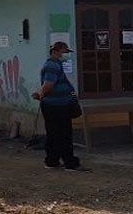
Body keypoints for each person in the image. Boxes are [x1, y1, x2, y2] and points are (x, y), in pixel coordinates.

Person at [31, 41, 86, 171]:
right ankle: (69, 162)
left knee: (54, 134)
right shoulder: (52, 65)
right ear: (55, 52)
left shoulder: (55, 64)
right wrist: (40, 94)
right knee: (63, 135)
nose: (65, 55)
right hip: (57, 105)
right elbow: (49, 84)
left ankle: (52, 160)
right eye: (63, 52)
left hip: (55, 104)